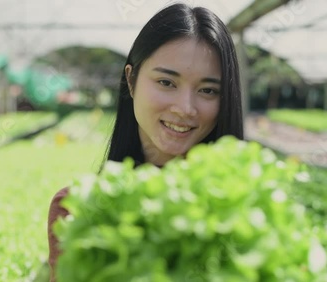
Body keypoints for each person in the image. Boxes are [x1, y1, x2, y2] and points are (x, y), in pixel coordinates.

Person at [47, 3, 244, 281]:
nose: (185, 108)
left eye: (208, 90)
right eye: (166, 82)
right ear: (131, 80)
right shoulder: (76, 211)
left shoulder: (244, 214)